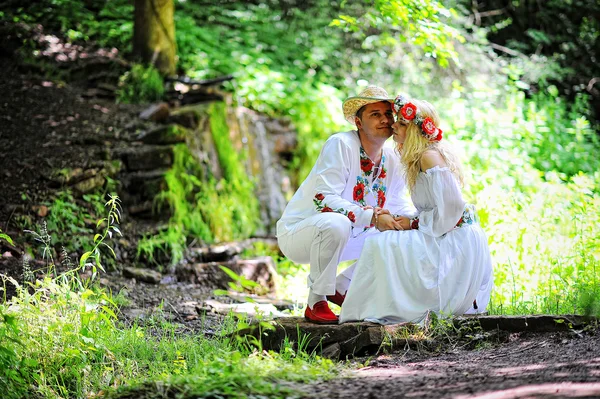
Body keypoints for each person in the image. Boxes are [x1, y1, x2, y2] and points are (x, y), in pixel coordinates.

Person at [339, 96, 494, 324]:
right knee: (385, 240)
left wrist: (412, 224)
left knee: (383, 244)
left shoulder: (429, 158)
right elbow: (436, 209)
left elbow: (452, 212)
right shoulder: (418, 159)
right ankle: (350, 292)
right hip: (445, 232)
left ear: (415, 131)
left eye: (402, 124)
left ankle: (363, 299)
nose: (393, 126)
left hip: (456, 240)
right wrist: (407, 219)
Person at [276, 86, 416, 324]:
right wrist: (372, 217)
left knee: (404, 232)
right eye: (375, 114)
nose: (384, 119)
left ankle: (342, 285)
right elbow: (324, 199)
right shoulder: (340, 144)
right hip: (301, 234)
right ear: (358, 122)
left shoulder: (392, 158)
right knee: (336, 222)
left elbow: (400, 204)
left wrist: (418, 221)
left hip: (352, 236)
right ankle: (316, 300)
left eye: (387, 114)